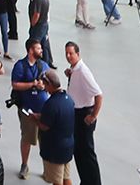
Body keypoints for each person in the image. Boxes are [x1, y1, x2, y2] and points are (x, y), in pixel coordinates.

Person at [62, 42, 104, 185]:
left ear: (78, 54)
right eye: (66, 53)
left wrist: (93, 116)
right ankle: (86, 180)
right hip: (76, 114)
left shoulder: (83, 71)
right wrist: (70, 74)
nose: (68, 56)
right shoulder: (75, 69)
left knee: (86, 153)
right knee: (79, 152)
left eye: (71, 53)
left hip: (84, 115)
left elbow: (98, 95)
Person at [11, 38, 52, 179]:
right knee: (27, 138)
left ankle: (47, 169)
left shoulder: (44, 65)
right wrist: (33, 84)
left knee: (45, 140)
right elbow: (15, 85)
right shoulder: (20, 66)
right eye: (38, 48)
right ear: (30, 50)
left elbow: (50, 82)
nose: (41, 50)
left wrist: (43, 85)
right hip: (27, 110)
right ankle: (24, 164)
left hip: (44, 109)